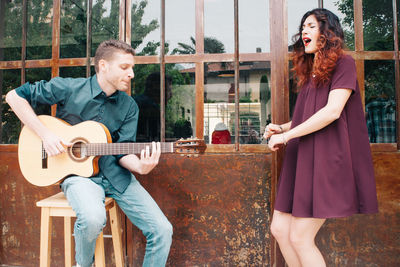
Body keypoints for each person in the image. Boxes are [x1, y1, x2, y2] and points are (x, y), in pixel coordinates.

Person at [6, 40, 173, 267]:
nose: (132, 74)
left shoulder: (130, 106)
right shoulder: (68, 88)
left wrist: (142, 167)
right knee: (93, 218)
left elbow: (123, 151)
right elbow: (14, 97)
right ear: (103, 65)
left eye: (132, 68)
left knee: (162, 230)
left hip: (116, 177)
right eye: (125, 67)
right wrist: (45, 134)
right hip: (79, 177)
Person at [263, 9, 378, 267]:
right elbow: (308, 117)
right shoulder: (312, 72)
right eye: (303, 26)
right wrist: (281, 128)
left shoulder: (344, 64)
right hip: (303, 156)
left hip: (325, 159)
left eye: (312, 26)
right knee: (280, 230)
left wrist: (287, 136)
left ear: (327, 33)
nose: (304, 31)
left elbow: (332, 112)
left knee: (301, 237)